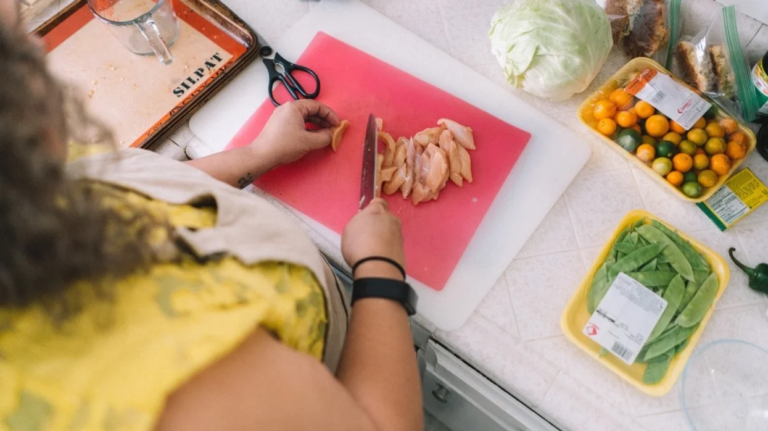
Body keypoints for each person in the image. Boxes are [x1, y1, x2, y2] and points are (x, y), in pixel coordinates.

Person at [0, 3, 423, 430]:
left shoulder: (25, 180)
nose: (39, 46)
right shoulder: (179, 381)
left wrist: (258, 155)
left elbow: (141, 188)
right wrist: (379, 270)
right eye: (14, 45)